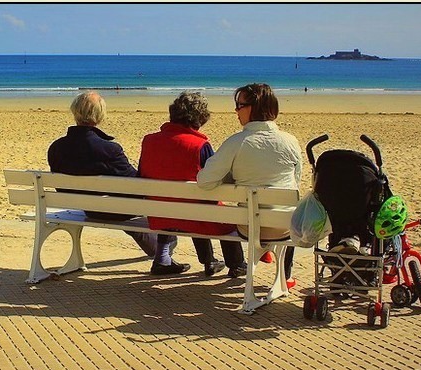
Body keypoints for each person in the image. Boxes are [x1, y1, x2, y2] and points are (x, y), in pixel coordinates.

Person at [47, 91, 181, 275]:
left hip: (84, 207)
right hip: (111, 208)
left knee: (120, 205)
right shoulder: (109, 149)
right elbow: (137, 185)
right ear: (100, 115)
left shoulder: (56, 148)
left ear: (75, 112)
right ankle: (164, 249)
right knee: (150, 201)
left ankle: (158, 250)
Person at [197, 83, 303, 288]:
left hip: (249, 227)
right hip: (284, 227)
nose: (236, 110)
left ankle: (269, 256)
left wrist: (230, 176)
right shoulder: (290, 141)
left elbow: (204, 181)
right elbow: (295, 183)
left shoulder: (237, 142)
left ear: (255, 107)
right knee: (288, 213)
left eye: (239, 105)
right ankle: (285, 275)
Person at [138, 92, 247, 278]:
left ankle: (202, 260)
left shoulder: (149, 140)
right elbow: (213, 180)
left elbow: (141, 174)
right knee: (216, 211)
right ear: (200, 118)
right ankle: (236, 264)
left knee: (183, 203)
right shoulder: (199, 145)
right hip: (194, 216)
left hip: (159, 214)